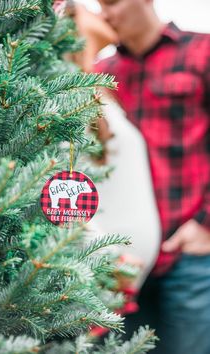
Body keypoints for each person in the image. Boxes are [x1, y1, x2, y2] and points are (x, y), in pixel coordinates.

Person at [92, 1, 210, 354]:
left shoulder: (202, 52)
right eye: (99, 6)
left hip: (188, 256)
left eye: (112, 2)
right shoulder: (101, 73)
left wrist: (206, 223)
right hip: (124, 266)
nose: (106, 14)